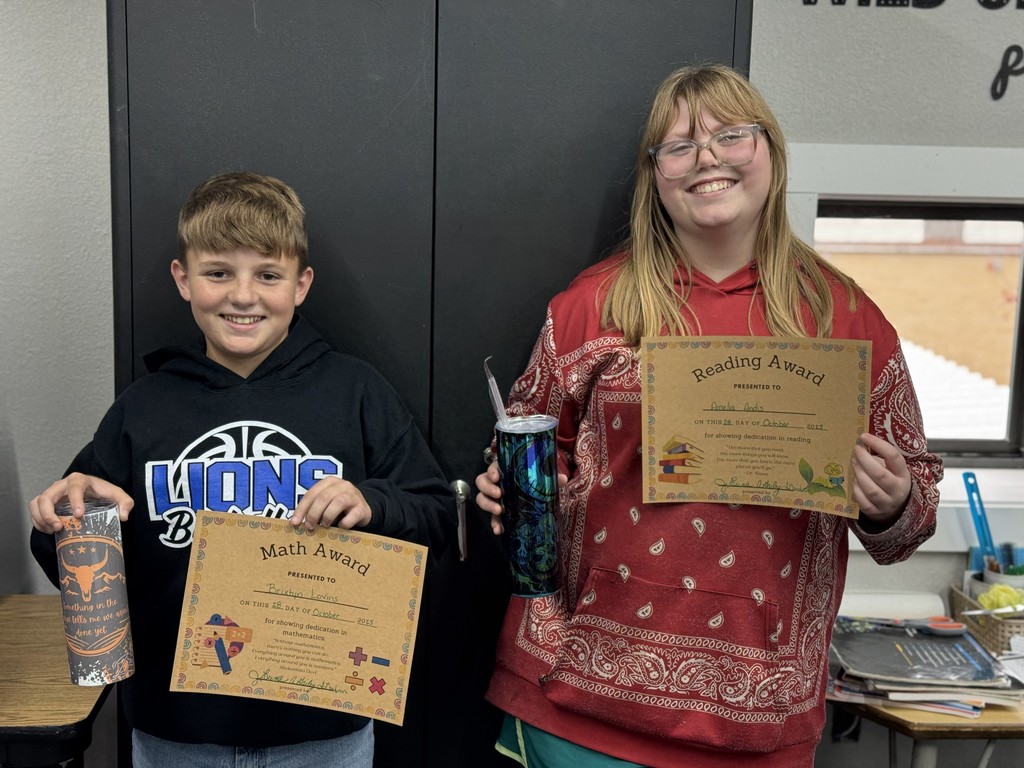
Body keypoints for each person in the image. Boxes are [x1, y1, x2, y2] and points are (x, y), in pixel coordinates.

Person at [474, 65, 942, 768]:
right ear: (655, 175)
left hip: (760, 722)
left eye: (731, 135)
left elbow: (908, 526)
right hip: (575, 701)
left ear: (771, 153)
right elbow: (525, 457)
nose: (708, 158)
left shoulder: (845, 319)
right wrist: (505, 491)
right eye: (680, 146)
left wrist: (893, 501)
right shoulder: (588, 308)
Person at [29, 171, 455, 768]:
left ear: (302, 285)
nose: (244, 295)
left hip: (325, 729)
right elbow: (68, 565)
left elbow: (437, 515)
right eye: (218, 272)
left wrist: (374, 503)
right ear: (183, 279)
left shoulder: (356, 392)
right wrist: (68, 513)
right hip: (175, 730)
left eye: (269, 275)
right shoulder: (141, 407)